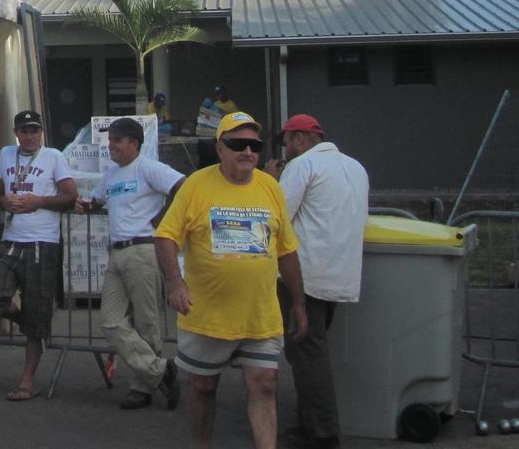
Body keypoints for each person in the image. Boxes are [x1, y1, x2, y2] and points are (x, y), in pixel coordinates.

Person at [155, 111, 308, 449]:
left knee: (265, 383)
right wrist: (175, 283)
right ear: (220, 148)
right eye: (238, 144)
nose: (247, 152)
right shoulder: (196, 185)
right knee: (203, 387)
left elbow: (286, 250)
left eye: (254, 145)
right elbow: (165, 236)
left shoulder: (270, 187)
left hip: (260, 314)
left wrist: (298, 302)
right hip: (207, 315)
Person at [266, 114, 369, 449]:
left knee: (307, 353)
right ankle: (308, 424)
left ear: (298, 138)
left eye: (287, 143)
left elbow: (278, 217)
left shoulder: (302, 166)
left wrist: (270, 180)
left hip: (304, 276)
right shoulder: (356, 167)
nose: (287, 151)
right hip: (340, 273)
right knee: (313, 351)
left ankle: (323, 434)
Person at [78, 117, 184, 410]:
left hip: (143, 249)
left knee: (146, 321)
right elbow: (96, 201)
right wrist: (85, 204)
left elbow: (183, 186)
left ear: (134, 144)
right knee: (110, 320)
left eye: (117, 140)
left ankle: (142, 388)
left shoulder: (148, 167)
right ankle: (159, 369)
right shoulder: (112, 175)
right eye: (110, 139)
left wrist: (162, 219)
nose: (111, 145)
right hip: (117, 252)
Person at [0, 109, 77, 402]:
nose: (29, 136)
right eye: (24, 131)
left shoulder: (53, 156)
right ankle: (31, 322)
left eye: (34, 130)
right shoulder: (6, 154)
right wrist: (3, 200)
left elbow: (70, 195)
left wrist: (39, 201)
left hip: (42, 241)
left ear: (41, 133)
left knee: (37, 308)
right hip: (11, 237)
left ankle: (27, 380)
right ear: (16, 132)